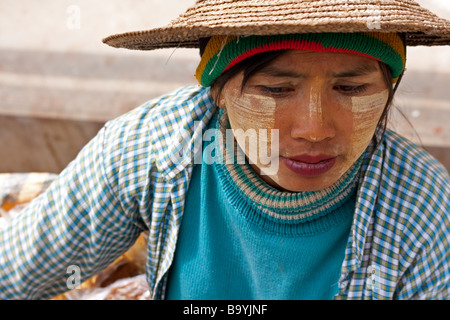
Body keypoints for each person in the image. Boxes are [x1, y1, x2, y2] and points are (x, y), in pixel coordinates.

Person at [1, 0, 449, 300]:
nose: (314, 130)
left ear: (389, 89)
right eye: (275, 88)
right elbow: (16, 269)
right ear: (216, 91)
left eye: (351, 87)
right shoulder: (157, 146)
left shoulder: (425, 212)